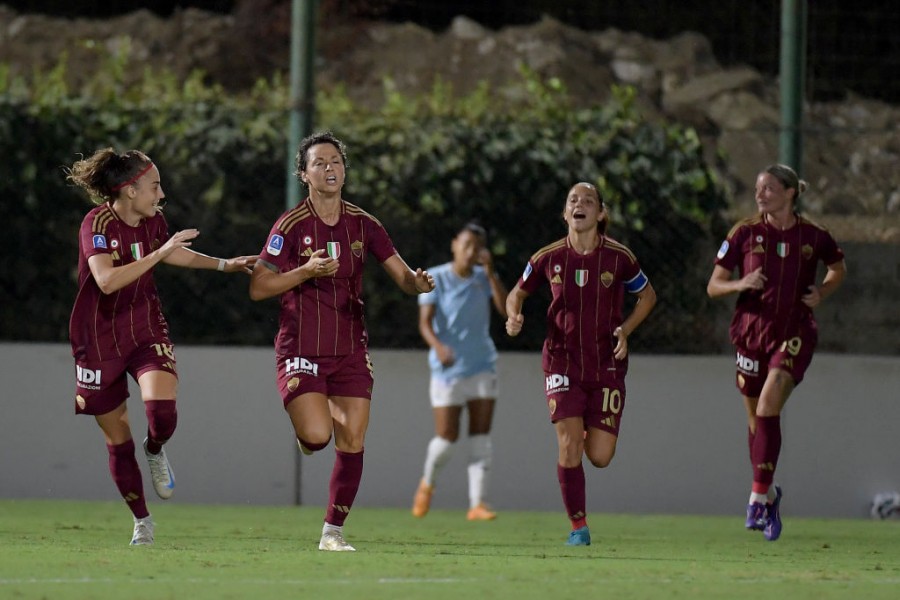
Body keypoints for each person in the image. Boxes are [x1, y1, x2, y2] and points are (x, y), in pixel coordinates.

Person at [249, 131, 435, 552]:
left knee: (353, 438)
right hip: (300, 348)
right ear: (304, 174)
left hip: (350, 348)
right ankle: (308, 429)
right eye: (320, 163)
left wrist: (417, 284)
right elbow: (260, 287)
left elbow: (402, 275)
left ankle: (332, 531)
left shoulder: (365, 224)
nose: (330, 168)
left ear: (344, 170)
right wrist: (305, 272)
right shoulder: (290, 225)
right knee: (317, 437)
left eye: (336, 161)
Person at [66, 148, 257, 546]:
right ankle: (142, 522)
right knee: (117, 439)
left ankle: (155, 449)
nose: (161, 193)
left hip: (144, 328)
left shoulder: (153, 222)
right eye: (154, 186)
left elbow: (177, 256)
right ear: (130, 190)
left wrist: (226, 264)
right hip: (98, 340)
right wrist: (160, 252)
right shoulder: (96, 223)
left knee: (162, 414)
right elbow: (105, 281)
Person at [505, 182, 657, 546]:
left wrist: (626, 330)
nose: (580, 205)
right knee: (569, 444)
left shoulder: (619, 258)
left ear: (601, 213)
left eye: (588, 200)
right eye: (573, 200)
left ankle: (585, 426)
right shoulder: (548, 257)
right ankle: (578, 527)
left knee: (601, 457)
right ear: (565, 213)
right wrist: (514, 315)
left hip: (606, 365)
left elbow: (648, 296)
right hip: (562, 362)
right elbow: (517, 292)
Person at [707, 164, 846, 542]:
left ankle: (754, 499)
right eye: (758, 188)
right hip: (751, 332)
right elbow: (713, 285)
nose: (761, 194)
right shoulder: (745, 232)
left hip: (794, 331)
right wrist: (741, 282)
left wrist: (822, 292)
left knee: (769, 405)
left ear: (789, 193)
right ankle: (768, 496)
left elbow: (838, 267)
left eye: (769, 188)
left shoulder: (813, 236)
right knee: (756, 420)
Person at [411, 221, 508, 521]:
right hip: (447, 370)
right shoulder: (436, 277)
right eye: (466, 245)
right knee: (447, 437)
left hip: (482, 365)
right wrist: (438, 347)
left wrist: (491, 272)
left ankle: (477, 503)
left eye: (476, 247)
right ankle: (427, 484)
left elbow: (506, 309)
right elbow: (425, 323)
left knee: (480, 435)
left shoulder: (484, 278)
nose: (470, 252)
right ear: (454, 244)